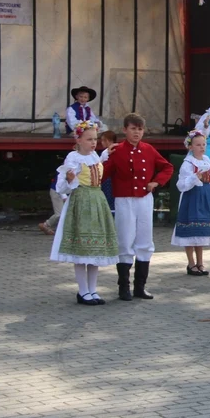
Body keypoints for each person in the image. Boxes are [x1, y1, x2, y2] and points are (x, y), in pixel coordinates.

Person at [103, 113, 174, 301]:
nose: (137, 132)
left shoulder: (148, 149)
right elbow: (102, 173)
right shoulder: (117, 151)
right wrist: (104, 157)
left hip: (144, 199)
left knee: (144, 241)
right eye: (133, 129)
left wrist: (156, 182)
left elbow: (167, 167)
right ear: (125, 130)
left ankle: (140, 287)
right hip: (124, 200)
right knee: (125, 241)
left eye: (140, 129)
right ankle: (123, 288)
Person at [50, 122, 118, 305]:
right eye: (89, 139)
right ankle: (82, 291)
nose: (93, 142)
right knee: (82, 249)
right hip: (81, 202)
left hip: (97, 200)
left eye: (95, 139)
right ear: (78, 140)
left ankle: (93, 290)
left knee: (94, 249)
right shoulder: (73, 158)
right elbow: (61, 187)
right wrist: (71, 179)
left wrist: (106, 154)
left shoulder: (95, 155)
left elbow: (98, 164)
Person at [171, 130, 210, 276]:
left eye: (203, 144)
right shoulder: (187, 164)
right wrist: (195, 177)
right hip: (192, 198)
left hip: (205, 196)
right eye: (198, 144)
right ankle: (191, 263)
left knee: (201, 231)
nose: (202, 147)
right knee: (191, 231)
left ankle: (200, 262)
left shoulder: (206, 159)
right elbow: (181, 185)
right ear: (190, 147)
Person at [98, 130, 118, 214]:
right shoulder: (119, 148)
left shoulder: (105, 152)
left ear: (108, 140)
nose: (102, 143)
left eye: (103, 140)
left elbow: (99, 164)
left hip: (107, 179)